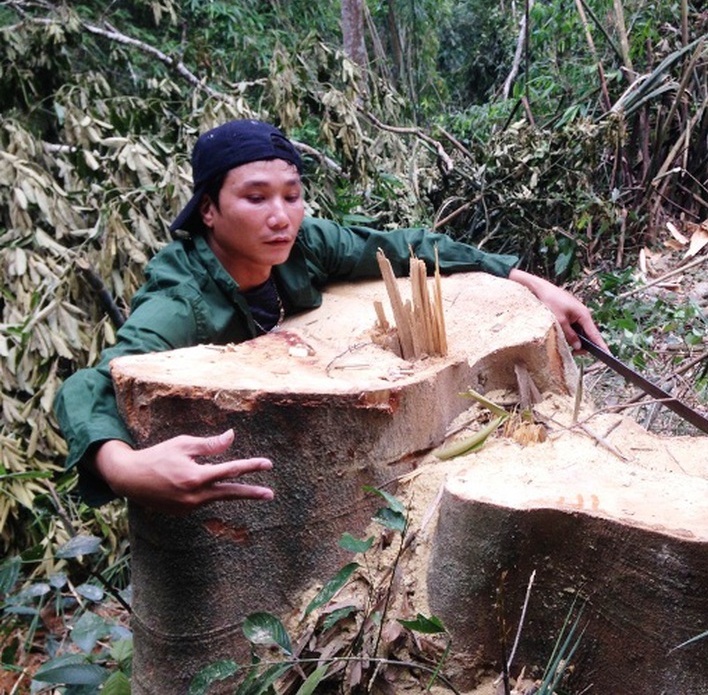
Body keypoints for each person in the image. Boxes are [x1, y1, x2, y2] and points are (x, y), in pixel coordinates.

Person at [54, 119, 607, 515]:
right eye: (255, 198)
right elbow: (93, 383)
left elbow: (406, 245)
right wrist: (124, 470)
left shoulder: (302, 245)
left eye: (292, 195)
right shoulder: (182, 302)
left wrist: (528, 281)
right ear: (208, 210)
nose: (280, 217)